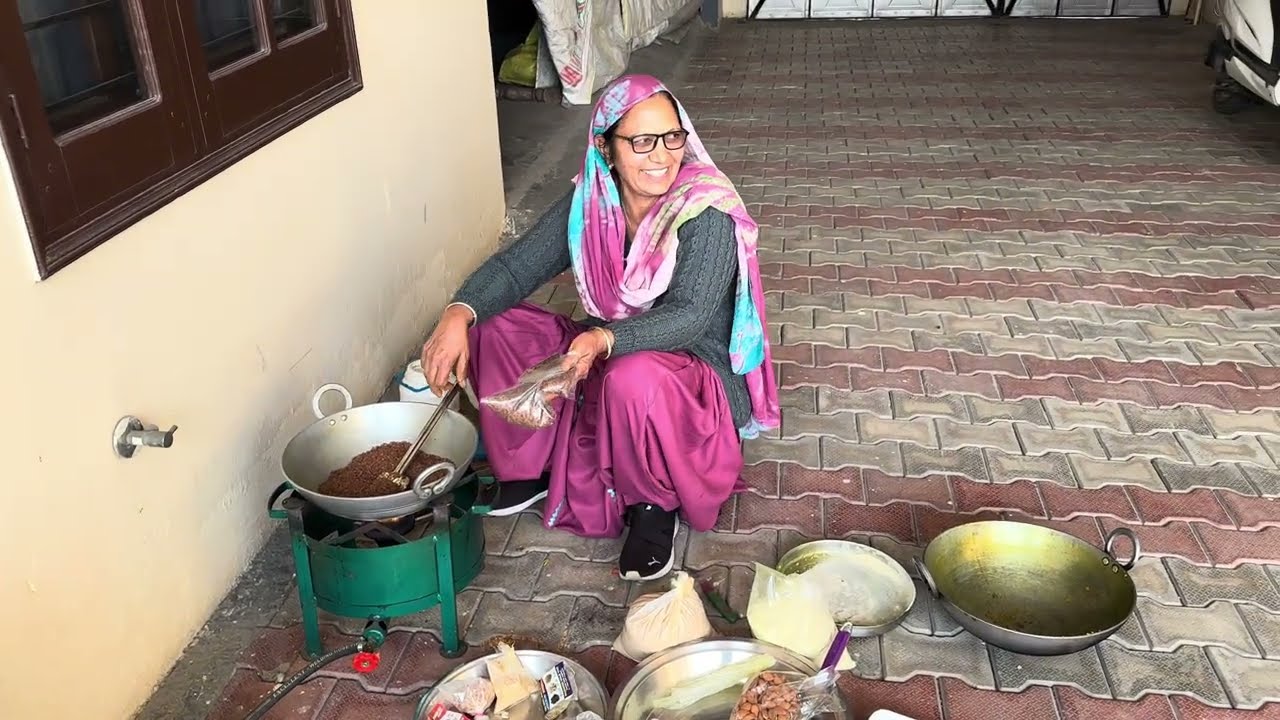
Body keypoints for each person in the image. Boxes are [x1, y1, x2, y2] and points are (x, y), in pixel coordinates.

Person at [419, 74, 779, 581]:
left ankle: (653, 506)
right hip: (610, 346)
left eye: (672, 136)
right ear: (606, 148)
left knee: (632, 377)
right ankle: (530, 470)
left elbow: (690, 315)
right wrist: (458, 312)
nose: (662, 155)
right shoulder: (591, 201)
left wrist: (604, 338)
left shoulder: (705, 209)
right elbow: (517, 269)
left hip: (693, 372)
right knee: (492, 322)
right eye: (642, 141)